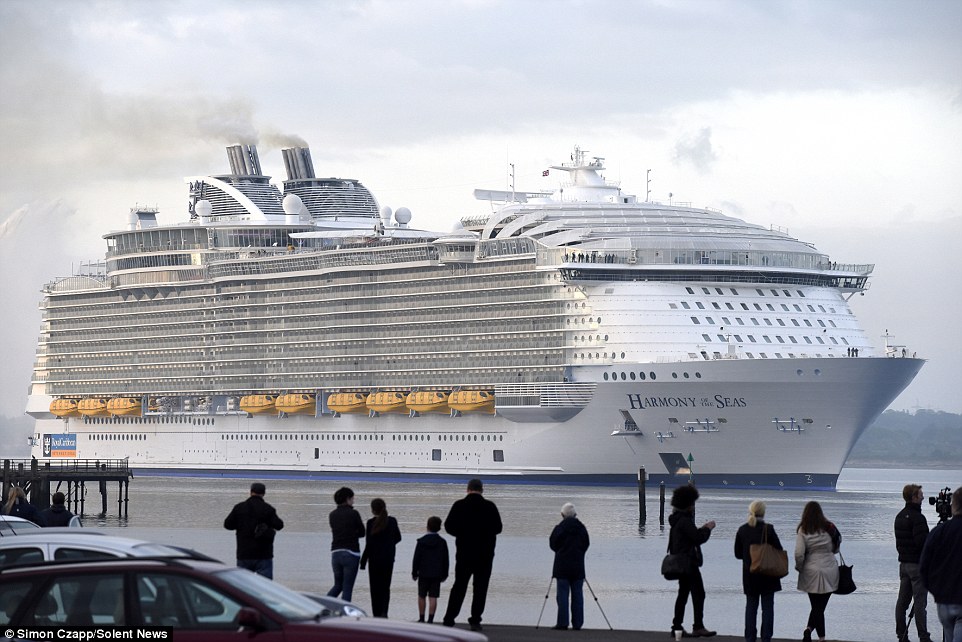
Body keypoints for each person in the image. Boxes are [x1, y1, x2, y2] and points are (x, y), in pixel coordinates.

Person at [441, 478, 503, 632]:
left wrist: (462, 534)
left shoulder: (459, 505)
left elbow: (448, 526)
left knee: (459, 586)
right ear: (482, 489)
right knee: (480, 588)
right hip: (485, 555)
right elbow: (498, 528)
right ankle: (475, 620)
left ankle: (449, 618)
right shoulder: (490, 507)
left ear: (467, 489)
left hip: (464, 553)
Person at [668, 484, 717, 638]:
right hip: (689, 564)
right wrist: (708, 528)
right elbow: (697, 538)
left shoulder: (676, 521)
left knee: (682, 595)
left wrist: (700, 529)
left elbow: (687, 537)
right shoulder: (685, 521)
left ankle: (676, 627)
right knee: (699, 594)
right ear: (688, 504)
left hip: (680, 563)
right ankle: (698, 626)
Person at [734, 500, 782, 642]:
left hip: (750, 575)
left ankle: (750, 637)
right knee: (767, 608)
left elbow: (737, 554)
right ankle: (766, 637)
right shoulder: (769, 529)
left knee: (751, 607)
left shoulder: (742, 530)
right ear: (764, 512)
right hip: (768, 574)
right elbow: (779, 549)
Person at [919, 486, 962, 642]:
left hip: (943, 601)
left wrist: (937, 591)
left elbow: (923, 567)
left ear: (953, 506)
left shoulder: (938, 532)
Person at [795, 501, 840, 642]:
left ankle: (812, 632)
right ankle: (816, 635)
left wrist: (799, 566)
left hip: (811, 570)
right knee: (820, 607)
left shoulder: (803, 529)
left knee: (816, 606)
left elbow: (799, 553)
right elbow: (837, 548)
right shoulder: (830, 527)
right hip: (830, 570)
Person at [894, 484, 932, 642]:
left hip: (904, 564)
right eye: (920, 494)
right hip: (917, 565)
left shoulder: (899, 516)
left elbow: (899, 543)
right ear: (914, 497)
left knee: (902, 602)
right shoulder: (918, 518)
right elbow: (923, 543)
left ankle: (901, 635)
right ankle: (923, 636)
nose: (923, 497)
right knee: (919, 603)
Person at [223, 482, 284, 579]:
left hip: (244, 553)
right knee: (266, 586)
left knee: (243, 585)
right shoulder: (268, 509)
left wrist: (241, 525)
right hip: (264, 554)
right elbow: (279, 525)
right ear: (264, 493)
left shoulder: (239, 508)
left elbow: (227, 525)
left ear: (250, 492)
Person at [549, 502, 590, 631]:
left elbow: (552, 544)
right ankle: (577, 624)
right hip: (578, 567)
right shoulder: (581, 528)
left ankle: (562, 623)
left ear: (563, 514)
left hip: (562, 566)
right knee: (577, 595)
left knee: (562, 595)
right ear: (575, 514)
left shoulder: (560, 528)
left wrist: (560, 551)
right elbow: (586, 544)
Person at [359, 498, 402, 617]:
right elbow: (398, 538)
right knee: (385, 587)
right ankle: (384, 612)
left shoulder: (370, 523)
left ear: (373, 510)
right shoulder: (392, 521)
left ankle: (376, 614)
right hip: (388, 559)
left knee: (375, 589)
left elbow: (369, 544)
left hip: (374, 560)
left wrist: (363, 561)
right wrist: (389, 545)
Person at [327, 486, 365, 602]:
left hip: (336, 553)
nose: (353, 501)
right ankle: (345, 616)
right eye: (352, 498)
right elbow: (362, 532)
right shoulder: (353, 513)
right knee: (347, 588)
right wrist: (353, 534)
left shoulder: (332, 514)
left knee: (338, 585)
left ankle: (322, 607)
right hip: (351, 553)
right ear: (347, 499)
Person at [412, 515, 449, 623]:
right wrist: (445, 574)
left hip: (423, 573)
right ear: (439, 527)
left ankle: (422, 618)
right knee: (433, 597)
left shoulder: (421, 541)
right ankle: (431, 619)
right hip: (437, 573)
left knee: (421, 595)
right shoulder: (442, 542)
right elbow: (445, 559)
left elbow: (416, 558)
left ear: (427, 526)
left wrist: (414, 572)